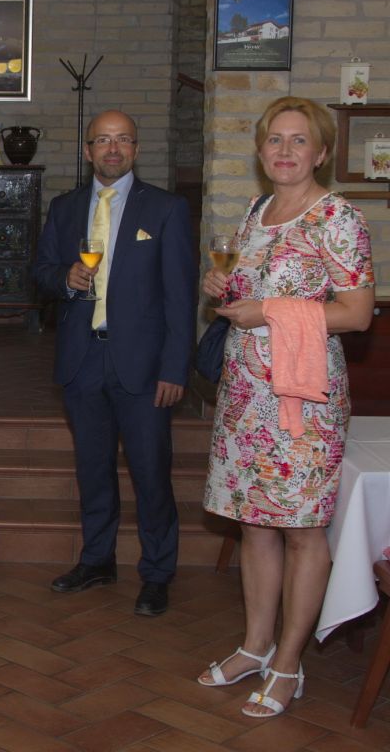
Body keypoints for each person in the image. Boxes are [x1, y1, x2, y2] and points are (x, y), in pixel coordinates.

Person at [197, 96, 374, 718]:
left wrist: (268, 310)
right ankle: (255, 646)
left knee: (301, 530)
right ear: (260, 148)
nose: (285, 150)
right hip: (246, 396)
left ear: (321, 152)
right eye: (275, 139)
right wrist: (221, 286)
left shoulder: (338, 218)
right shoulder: (256, 212)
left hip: (303, 401)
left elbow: (356, 313)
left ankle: (289, 663)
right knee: (254, 523)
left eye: (299, 140)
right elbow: (249, 291)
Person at [33, 109, 194, 618]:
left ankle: (158, 573)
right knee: (94, 469)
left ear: (136, 149)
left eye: (123, 139)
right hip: (82, 361)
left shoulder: (166, 209)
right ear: (88, 151)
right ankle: (98, 560)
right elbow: (40, 271)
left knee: (151, 473)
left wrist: (175, 368)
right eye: (103, 140)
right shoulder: (64, 208)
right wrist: (63, 279)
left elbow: (180, 297)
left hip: (144, 367)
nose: (113, 149)